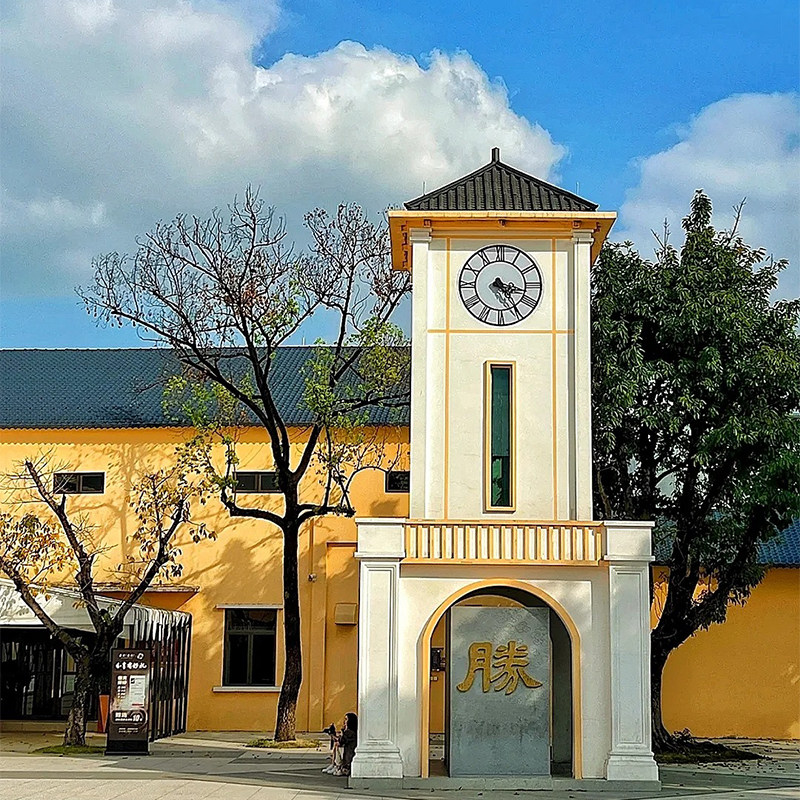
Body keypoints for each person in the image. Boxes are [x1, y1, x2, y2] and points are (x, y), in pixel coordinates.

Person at [336, 712, 358, 776]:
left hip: (349, 754)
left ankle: (338, 765)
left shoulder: (349, 732)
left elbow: (341, 742)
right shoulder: (354, 731)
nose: (344, 721)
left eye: (346, 719)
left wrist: (343, 731)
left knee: (338, 747)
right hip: (350, 752)